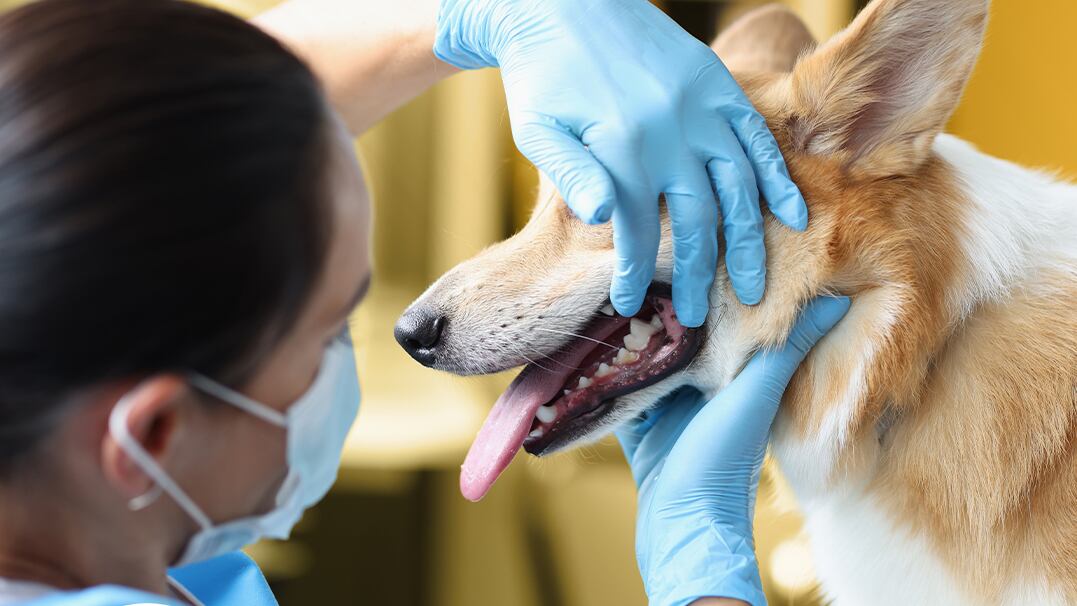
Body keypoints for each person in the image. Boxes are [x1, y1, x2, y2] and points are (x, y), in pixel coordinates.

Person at [0, 0, 849, 604]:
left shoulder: (96, 529)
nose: (376, 340)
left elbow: (153, 155)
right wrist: (703, 577)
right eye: (332, 330)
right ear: (150, 436)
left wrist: (487, 13)